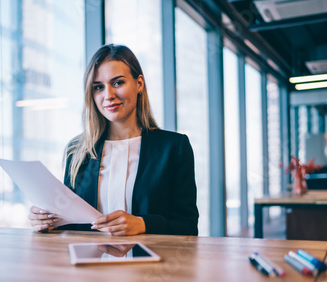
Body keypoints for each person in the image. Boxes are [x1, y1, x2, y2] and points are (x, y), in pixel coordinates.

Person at [28, 44, 199, 236]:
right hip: (89, 264)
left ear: (139, 84)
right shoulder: (77, 150)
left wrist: (143, 224)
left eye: (118, 83)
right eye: (98, 87)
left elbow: (188, 227)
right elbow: (70, 227)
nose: (108, 95)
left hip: (150, 264)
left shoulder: (174, 148)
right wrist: (46, 222)